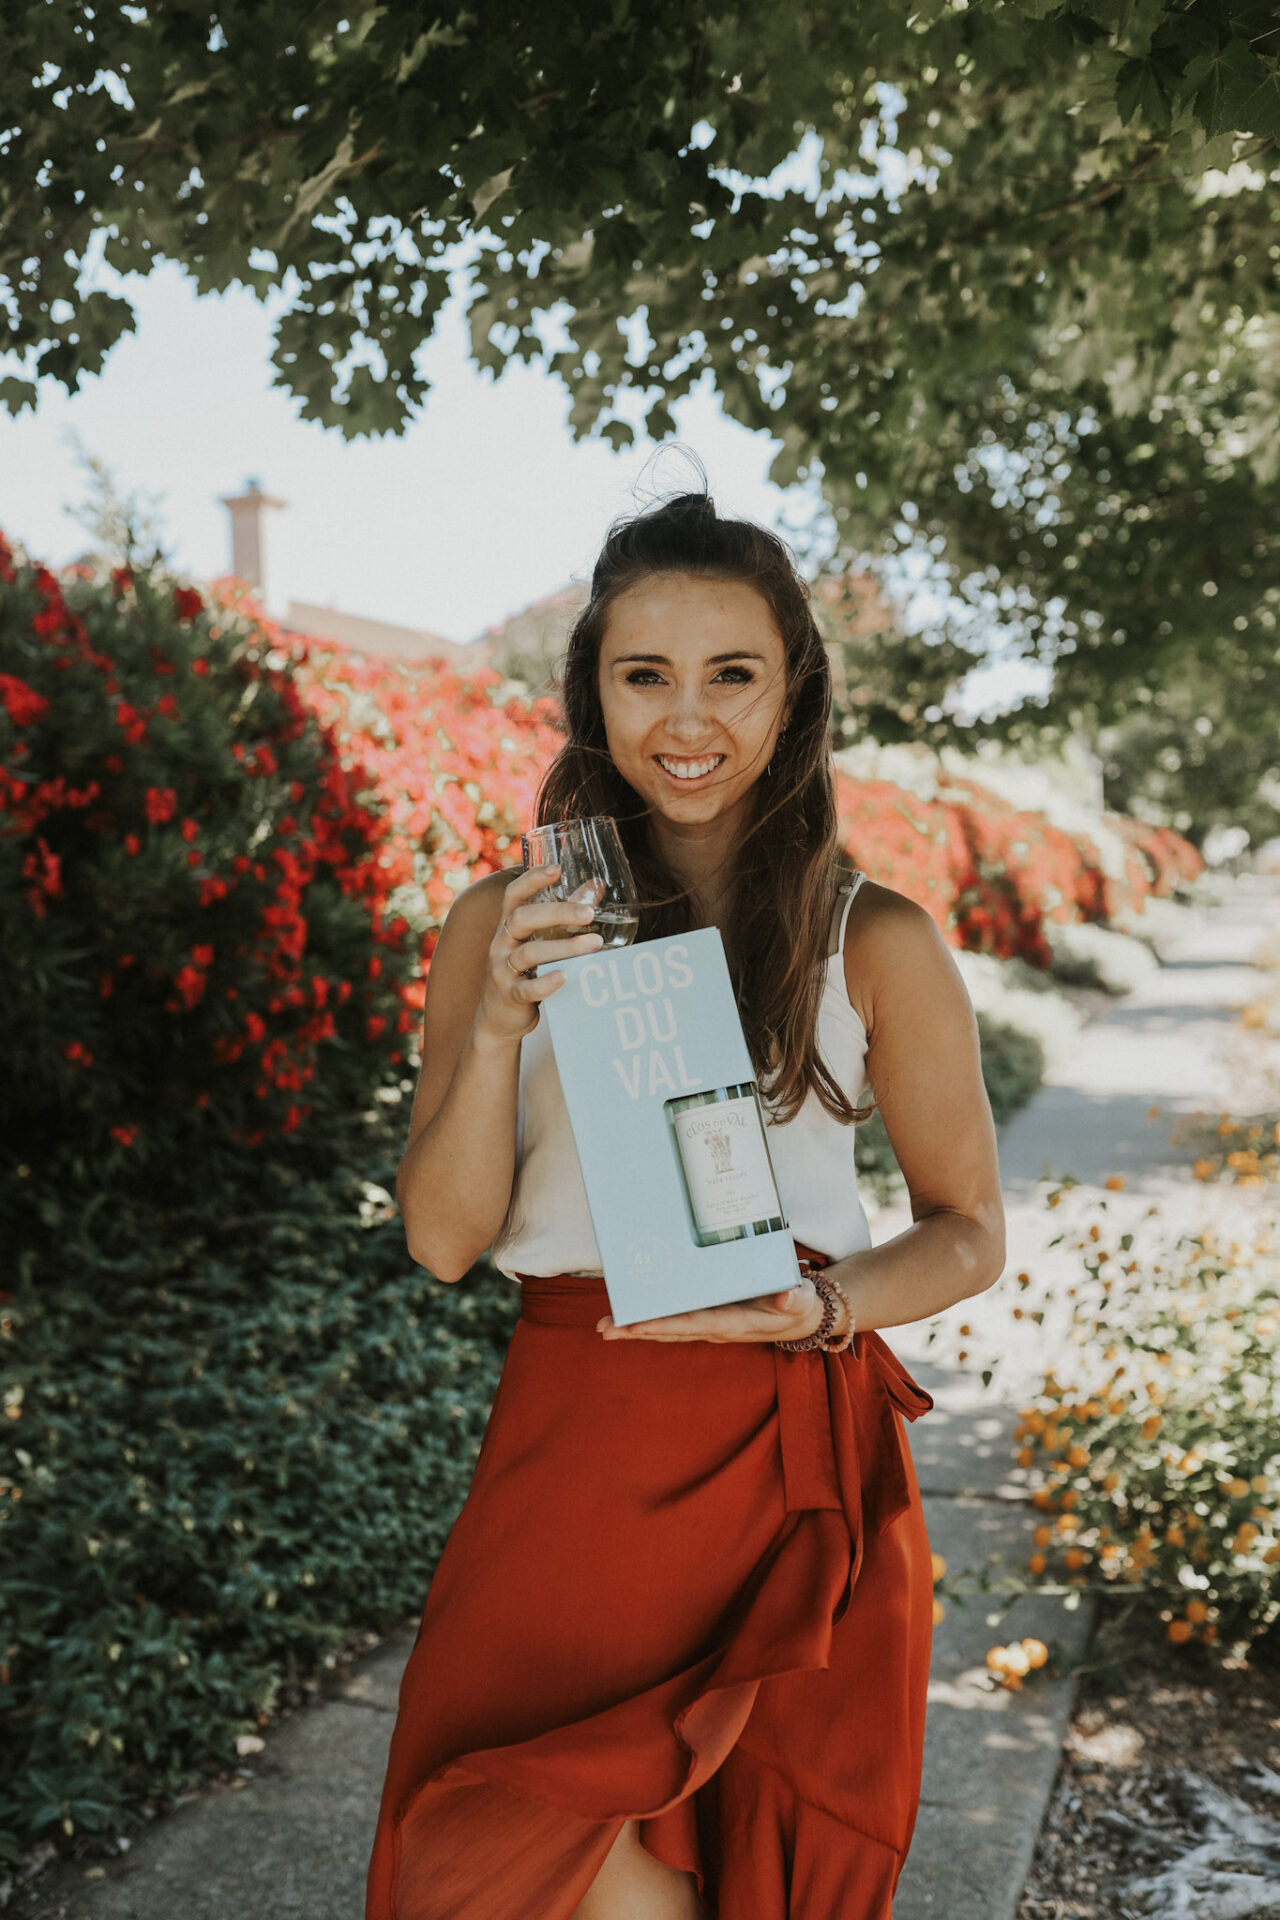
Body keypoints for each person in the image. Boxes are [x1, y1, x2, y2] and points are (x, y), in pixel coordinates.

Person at [366, 489, 1005, 1920]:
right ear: (591, 690)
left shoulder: (877, 939)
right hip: (576, 1442)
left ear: (797, 692)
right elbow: (443, 1238)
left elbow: (969, 1230)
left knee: (740, 1869)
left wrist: (822, 1306)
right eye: (643, 673)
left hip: (789, 1446)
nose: (686, 718)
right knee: (510, 1837)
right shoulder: (503, 921)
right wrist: (493, 1031)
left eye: (734, 673)